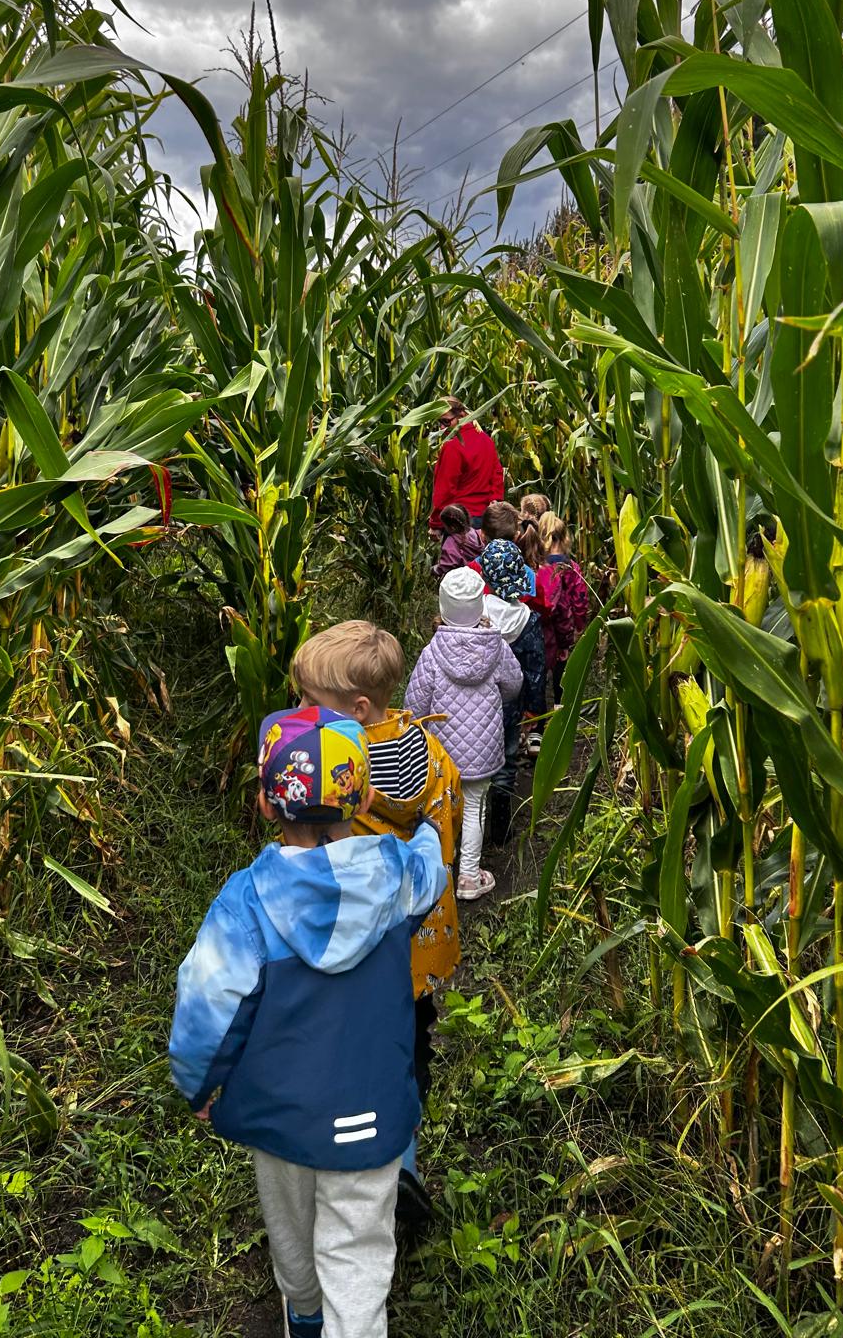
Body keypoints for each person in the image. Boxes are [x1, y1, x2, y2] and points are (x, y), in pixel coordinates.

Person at [169, 706, 446, 1338]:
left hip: (281, 1117)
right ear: (365, 798)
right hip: (373, 1114)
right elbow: (433, 871)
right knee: (358, 1252)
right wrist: (429, 828)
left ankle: (304, 1312)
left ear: (267, 804)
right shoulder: (398, 876)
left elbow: (207, 1004)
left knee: (291, 1233)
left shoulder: (245, 904)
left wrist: (198, 1085)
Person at [289, 621, 464, 1233]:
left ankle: (343, 1166)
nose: (301, 710)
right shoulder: (434, 758)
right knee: (404, 1057)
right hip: (410, 956)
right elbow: (445, 837)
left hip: (349, 952)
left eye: (311, 700)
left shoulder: (327, 768)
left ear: (357, 709)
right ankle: (402, 1170)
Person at [405, 568, 522, 903]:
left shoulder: (432, 651)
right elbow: (514, 685)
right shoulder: (497, 647)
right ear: (479, 607)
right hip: (483, 749)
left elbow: (415, 704)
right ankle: (469, 876)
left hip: (442, 750)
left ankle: (443, 866)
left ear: (443, 608)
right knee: (474, 808)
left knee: (443, 806)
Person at [478, 539, 547, 841]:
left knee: (477, 758)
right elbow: (535, 669)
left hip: (478, 702)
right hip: (511, 704)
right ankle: (501, 829)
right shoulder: (528, 620)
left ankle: (473, 823)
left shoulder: (475, 614)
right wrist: (534, 709)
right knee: (506, 759)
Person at [538, 512, 591, 707]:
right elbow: (580, 600)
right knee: (561, 672)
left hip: (542, 629)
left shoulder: (536, 566)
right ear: (565, 538)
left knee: (539, 672)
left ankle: (538, 713)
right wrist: (579, 626)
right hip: (564, 629)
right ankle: (560, 708)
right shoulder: (571, 567)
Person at [428, 399, 504, 530]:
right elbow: (497, 473)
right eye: (439, 422)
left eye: (446, 421)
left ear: (462, 415)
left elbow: (445, 490)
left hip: (459, 520)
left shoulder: (452, 446)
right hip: (485, 520)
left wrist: (435, 524)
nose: (441, 428)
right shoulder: (486, 439)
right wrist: (495, 499)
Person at [432, 503, 484, 580]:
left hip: (460, 579)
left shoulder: (451, 542)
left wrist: (435, 570)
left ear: (452, 527)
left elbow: (447, 564)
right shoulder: (475, 533)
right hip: (477, 576)